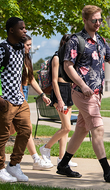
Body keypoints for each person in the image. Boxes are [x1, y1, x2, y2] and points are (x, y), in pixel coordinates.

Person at [56, 5, 110, 182]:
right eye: (94, 20)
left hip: (96, 93)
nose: (98, 23)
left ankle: (63, 165)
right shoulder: (76, 40)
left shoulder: (101, 40)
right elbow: (67, 66)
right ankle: (108, 171)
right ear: (85, 20)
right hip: (83, 93)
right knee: (98, 129)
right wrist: (82, 84)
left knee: (80, 130)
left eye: (100, 20)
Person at [0, 34, 53, 171]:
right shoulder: (13, 56)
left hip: (21, 93)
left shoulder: (25, 58)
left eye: (31, 45)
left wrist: (42, 94)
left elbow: (31, 79)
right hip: (13, 94)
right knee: (25, 128)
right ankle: (35, 159)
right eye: (28, 45)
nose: (30, 48)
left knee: (16, 129)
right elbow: (7, 78)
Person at [0, 17, 32, 183]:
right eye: (22, 28)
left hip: (19, 99)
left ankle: (13, 165)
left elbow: (17, 74)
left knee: (26, 130)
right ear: (11, 30)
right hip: (4, 100)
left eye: (25, 28)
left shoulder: (20, 48)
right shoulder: (1, 49)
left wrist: (21, 93)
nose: (25, 31)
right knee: (2, 135)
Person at [39, 34, 77, 167]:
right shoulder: (56, 58)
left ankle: (62, 159)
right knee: (67, 127)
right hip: (59, 91)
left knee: (65, 127)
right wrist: (60, 100)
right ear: (65, 43)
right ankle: (46, 147)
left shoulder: (70, 59)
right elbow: (54, 81)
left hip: (68, 91)